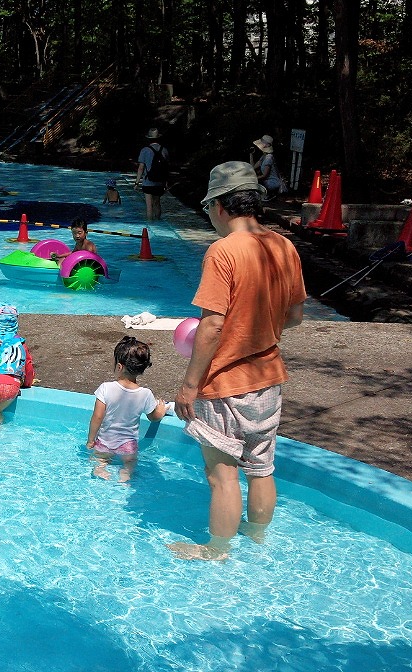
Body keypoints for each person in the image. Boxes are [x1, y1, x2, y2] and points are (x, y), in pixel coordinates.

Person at [169, 161, 306, 560]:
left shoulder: (223, 250)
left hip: (226, 381)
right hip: (268, 376)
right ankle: (257, 534)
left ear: (221, 206)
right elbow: (295, 315)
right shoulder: (284, 245)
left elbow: (211, 325)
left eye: (209, 207)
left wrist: (189, 386)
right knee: (262, 467)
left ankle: (216, 549)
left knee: (222, 474)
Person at [86, 336, 169, 483]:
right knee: (130, 462)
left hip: (105, 442)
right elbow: (153, 417)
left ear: (119, 366)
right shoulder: (145, 394)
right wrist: (161, 410)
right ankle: (126, 473)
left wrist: (91, 440)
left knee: (98, 460)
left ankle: (99, 469)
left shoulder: (105, 388)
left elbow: (97, 417)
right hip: (128, 446)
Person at [135, 128, 169, 220]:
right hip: (160, 182)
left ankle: (151, 225)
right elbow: (166, 168)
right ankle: (158, 221)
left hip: (148, 182)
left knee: (149, 206)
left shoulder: (145, 150)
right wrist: (166, 182)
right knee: (157, 203)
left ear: (149, 138)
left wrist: (137, 182)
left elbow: (141, 168)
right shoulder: (164, 150)